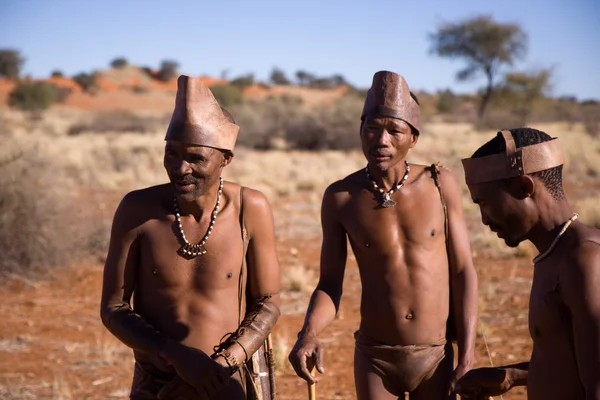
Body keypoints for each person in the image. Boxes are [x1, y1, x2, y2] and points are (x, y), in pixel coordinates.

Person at [288, 70, 479, 399]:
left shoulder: (439, 183)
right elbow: (330, 283)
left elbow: (463, 270)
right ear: (360, 131)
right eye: (372, 129)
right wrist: (309, 332)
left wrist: (468, 354)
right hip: (375, 356)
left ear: (413, 137)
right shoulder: (341, 197)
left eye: (394, 130)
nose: (382, 140)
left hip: (436, 354)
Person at [100, 75, 281, 400]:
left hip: (229, 381)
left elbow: (268, 303)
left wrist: (224, 363)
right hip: (158, 384)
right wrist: (175, 356)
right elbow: (114, 307)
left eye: (196, 158)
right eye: (172, 154)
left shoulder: (249, 208)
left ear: (226, 159)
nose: (180, 168)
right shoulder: (138, 209)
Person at [456, 128, 600, 400]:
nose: (484, 219)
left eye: (485, 203)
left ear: (524, 187)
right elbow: (574, 363)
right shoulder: (555, 254)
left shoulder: (585, 262)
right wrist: (515, 376)